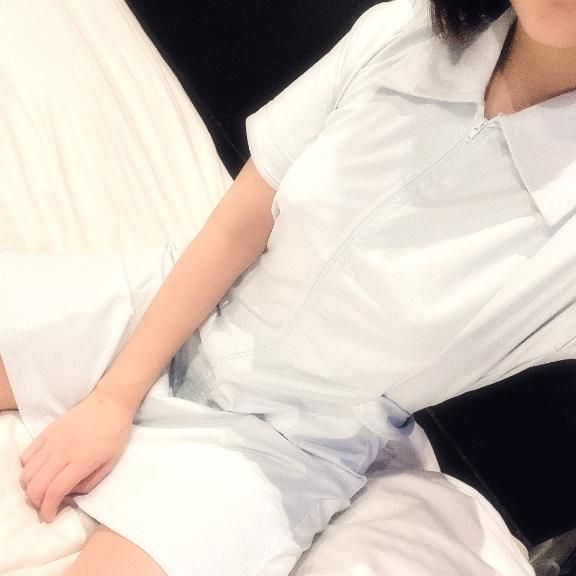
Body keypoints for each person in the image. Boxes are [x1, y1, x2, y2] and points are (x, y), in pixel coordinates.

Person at [1, 0, 575, 574]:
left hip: (286, 444)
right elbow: (239, 227)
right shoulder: (402, 35)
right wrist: (114, 396)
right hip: (183, 307)